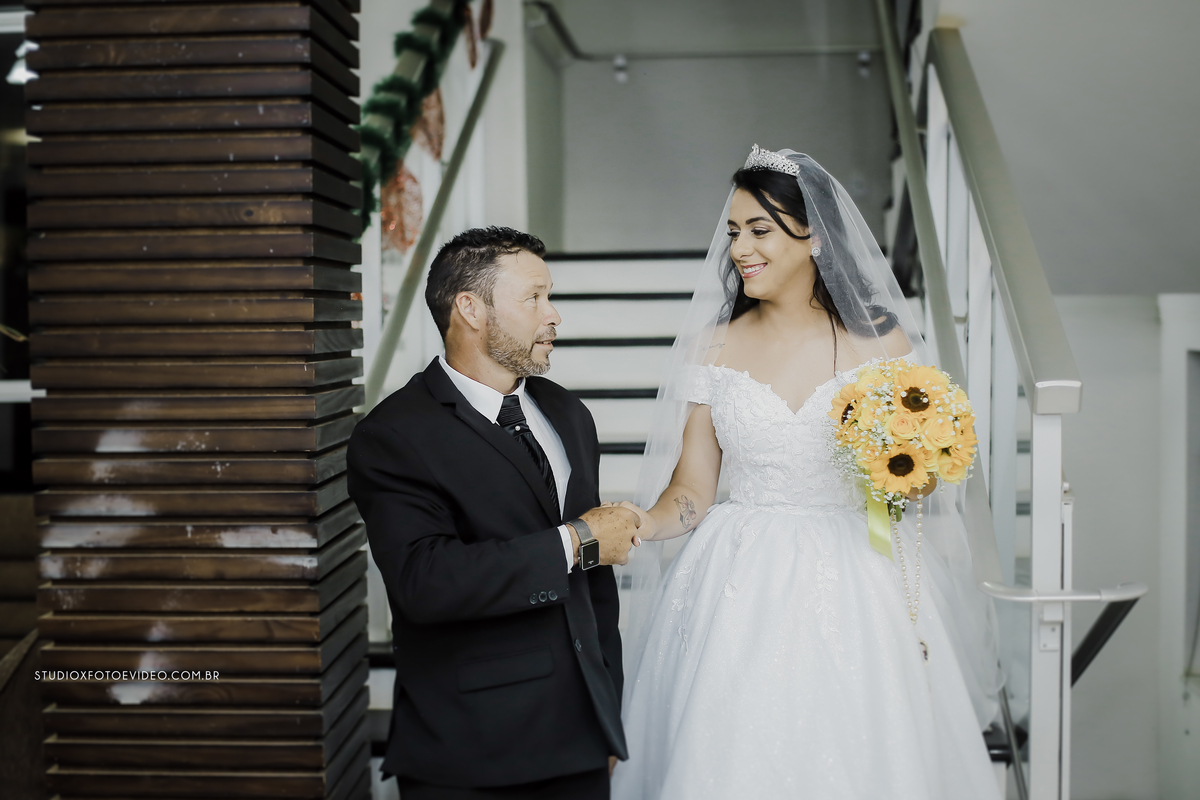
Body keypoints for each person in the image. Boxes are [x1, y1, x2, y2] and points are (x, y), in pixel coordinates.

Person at [610, 148, 1003, 799]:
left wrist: (915, 469)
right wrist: (645, 523)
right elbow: (693, 487)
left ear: (814, 235)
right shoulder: (714, 345)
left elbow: (916, 479)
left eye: (759, 230)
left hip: (858, 570)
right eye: (734, 232)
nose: (740, 248)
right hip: (739, 573)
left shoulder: (881, 344)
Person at [347, 226, 641, 799]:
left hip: (582, 740)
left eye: (549, 297)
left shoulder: (568, 413)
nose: (554, 315)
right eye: (534, 298)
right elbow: (425, 581)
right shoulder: (394, 434)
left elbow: (595, 588)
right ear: (470, 309)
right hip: (470, 753)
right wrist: (575, 540)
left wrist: (607, 710)